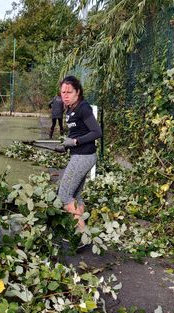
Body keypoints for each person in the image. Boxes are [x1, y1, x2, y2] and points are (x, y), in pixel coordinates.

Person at [56, 76, 102, 231]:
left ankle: (83, 235)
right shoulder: (69, 109)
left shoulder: (83, 107)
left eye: (69, 92)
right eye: (63, 92)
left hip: (84, 156)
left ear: (78, 92)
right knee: (76, 194)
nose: (65, 95)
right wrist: (67, 144)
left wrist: (75, 142)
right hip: (78, 154)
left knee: (63, 195)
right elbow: (77, 132)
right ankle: (78, 230)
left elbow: (97, 132)